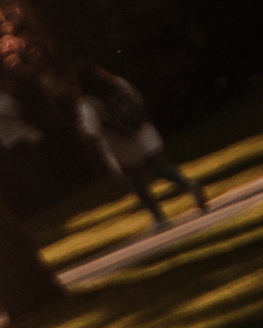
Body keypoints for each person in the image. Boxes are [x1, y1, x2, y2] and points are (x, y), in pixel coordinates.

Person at [70, 65, 206, 231]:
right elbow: (138, 100)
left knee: (137, 184)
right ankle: (189, 185)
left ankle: (159, 217)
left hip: (120, 147)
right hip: (144, 134)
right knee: (162, 169)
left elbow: (92, 129)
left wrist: (83, 130)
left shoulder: (87, 101)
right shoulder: (117, 83)